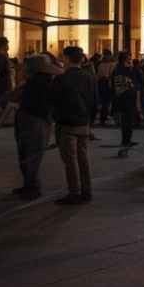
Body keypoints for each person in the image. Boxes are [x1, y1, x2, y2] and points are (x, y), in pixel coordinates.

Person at [51, 46, 97, 206]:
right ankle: (87, 190)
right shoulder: (89, 77)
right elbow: (94, 101)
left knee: (70, 161)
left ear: (67, 59)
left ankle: (74, 192)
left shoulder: (61, 79)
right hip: (84, 122)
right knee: (83, 158)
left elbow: (54, 101)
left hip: (67, 124)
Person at [13, 54, 58, 199]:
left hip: (35, 120)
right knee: (28, 154)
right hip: (31, 118)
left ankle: (32, 187)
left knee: (30, 155)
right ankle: (29, 185)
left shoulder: (42, 82)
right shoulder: (37, 81)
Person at [110, 51, 142, 148]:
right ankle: (126, 140)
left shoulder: (118, 69)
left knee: (126, 120)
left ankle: (126, 140)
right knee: (128, 120)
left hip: (122, 97)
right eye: (129, 57)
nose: (131, 59)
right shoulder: (127, 70)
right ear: (126, 59)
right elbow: (138, 81)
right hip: (128, 97)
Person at [95, 49, 116, 125]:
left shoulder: (101, 64)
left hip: (104, 84)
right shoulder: (112, 64)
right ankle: (105, 116)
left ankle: (104, 116)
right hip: (106, 84)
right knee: (106, 101)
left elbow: (98, 75)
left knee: (105, 102)